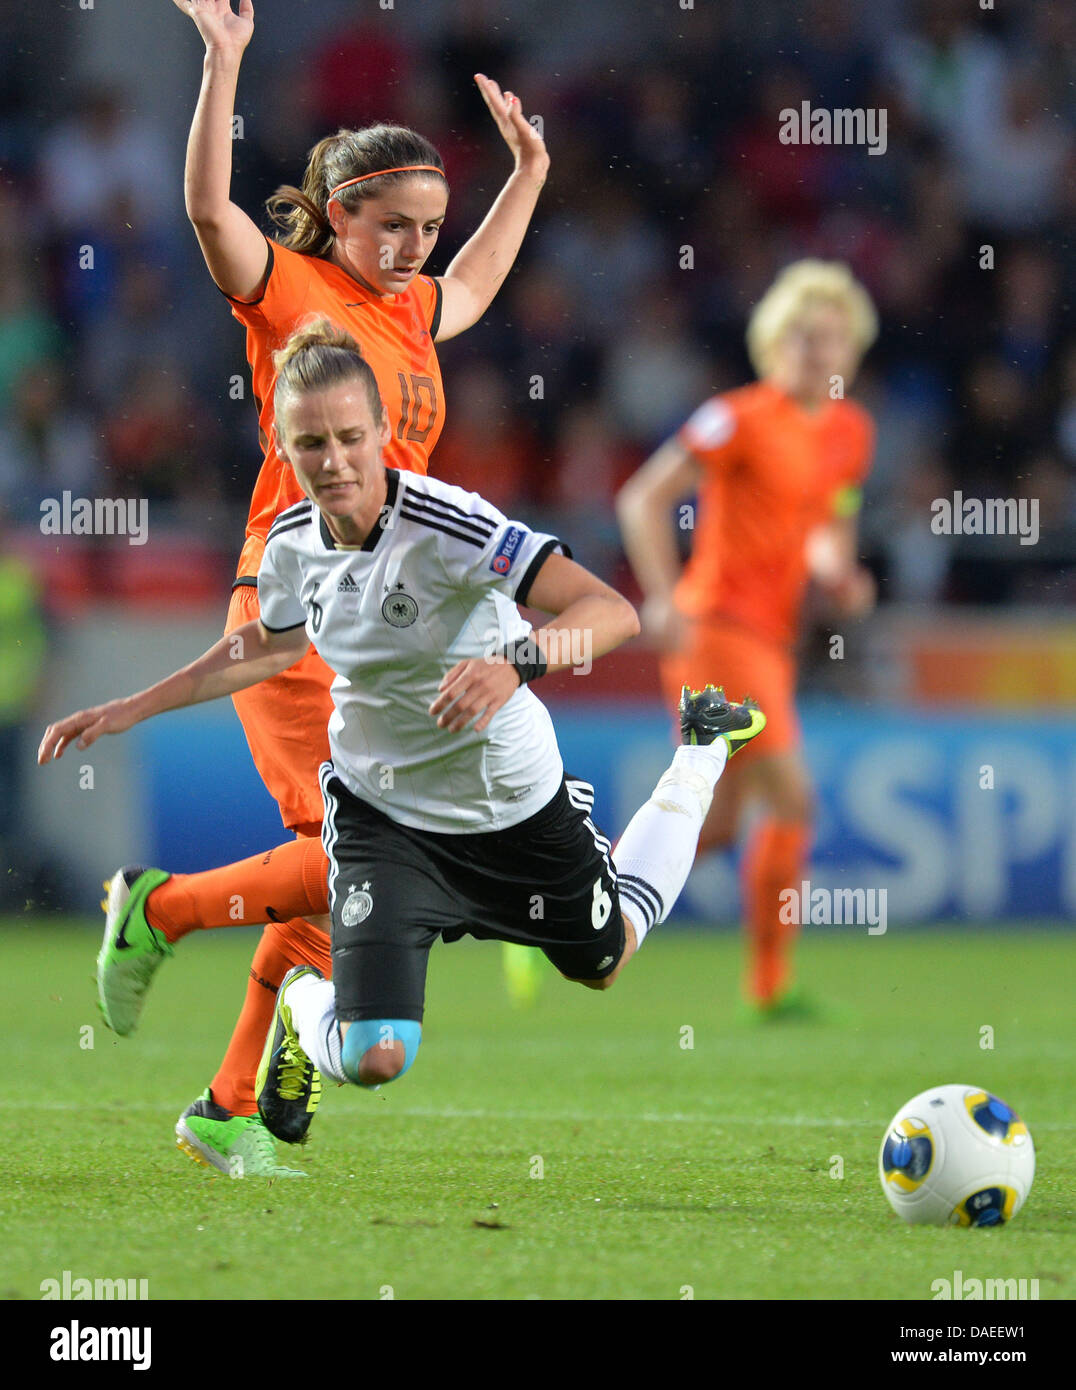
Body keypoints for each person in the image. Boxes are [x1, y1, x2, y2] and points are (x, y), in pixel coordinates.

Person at [40, 323, 767, 1148]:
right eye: (311, 442)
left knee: (605, 961)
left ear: (384, 433)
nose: (336, 460)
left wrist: (515, 663)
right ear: (284, 446)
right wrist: (132, 705)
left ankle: (702, 749)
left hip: (513, 808)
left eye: (352, 437)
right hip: (386, 821)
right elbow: (268, 644)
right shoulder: (288, 545)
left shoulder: (450, 525)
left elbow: (611, 611)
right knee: (377, 1057)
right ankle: (299, 999)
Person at [94, 0, 550, 1178]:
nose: (412, 248)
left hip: (384, 619)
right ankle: (162, 912)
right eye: (391, 226)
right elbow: (206, 209)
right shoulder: (294, 293)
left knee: (362, 855)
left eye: (427, 228)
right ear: (338, 214)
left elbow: (481, 284)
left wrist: (529, 173)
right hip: (289, 605)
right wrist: (226, 63)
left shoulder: (410, 311)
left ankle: (226, 1101)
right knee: (361, 852)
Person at [616, 260, 877, 1016]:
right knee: (792, 801)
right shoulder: (735, 416)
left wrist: (839, 575)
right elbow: (643, 499)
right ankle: (769, 987)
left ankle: (560, 906)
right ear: (772, 342)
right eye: (802, 335)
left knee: (722, 822)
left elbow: (829, 528)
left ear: (850, 352)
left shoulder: (849, 433)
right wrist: (663, 598)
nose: (816, 352)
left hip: (773, 638)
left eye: (831, 339)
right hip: (715, 632)